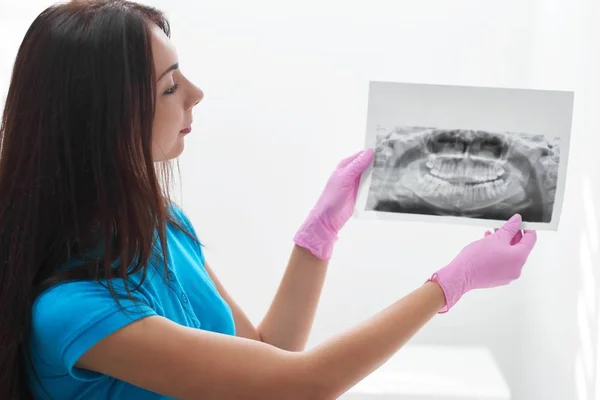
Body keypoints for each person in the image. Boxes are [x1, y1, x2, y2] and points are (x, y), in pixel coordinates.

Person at [0, 1, 538, 399]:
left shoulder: (161, 225)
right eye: (169, 87)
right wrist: (451, 284)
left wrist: (319, 235)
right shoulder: (71, 312)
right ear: (106, 123)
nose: (196, 93)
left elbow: (269, 354)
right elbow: (301, 386)